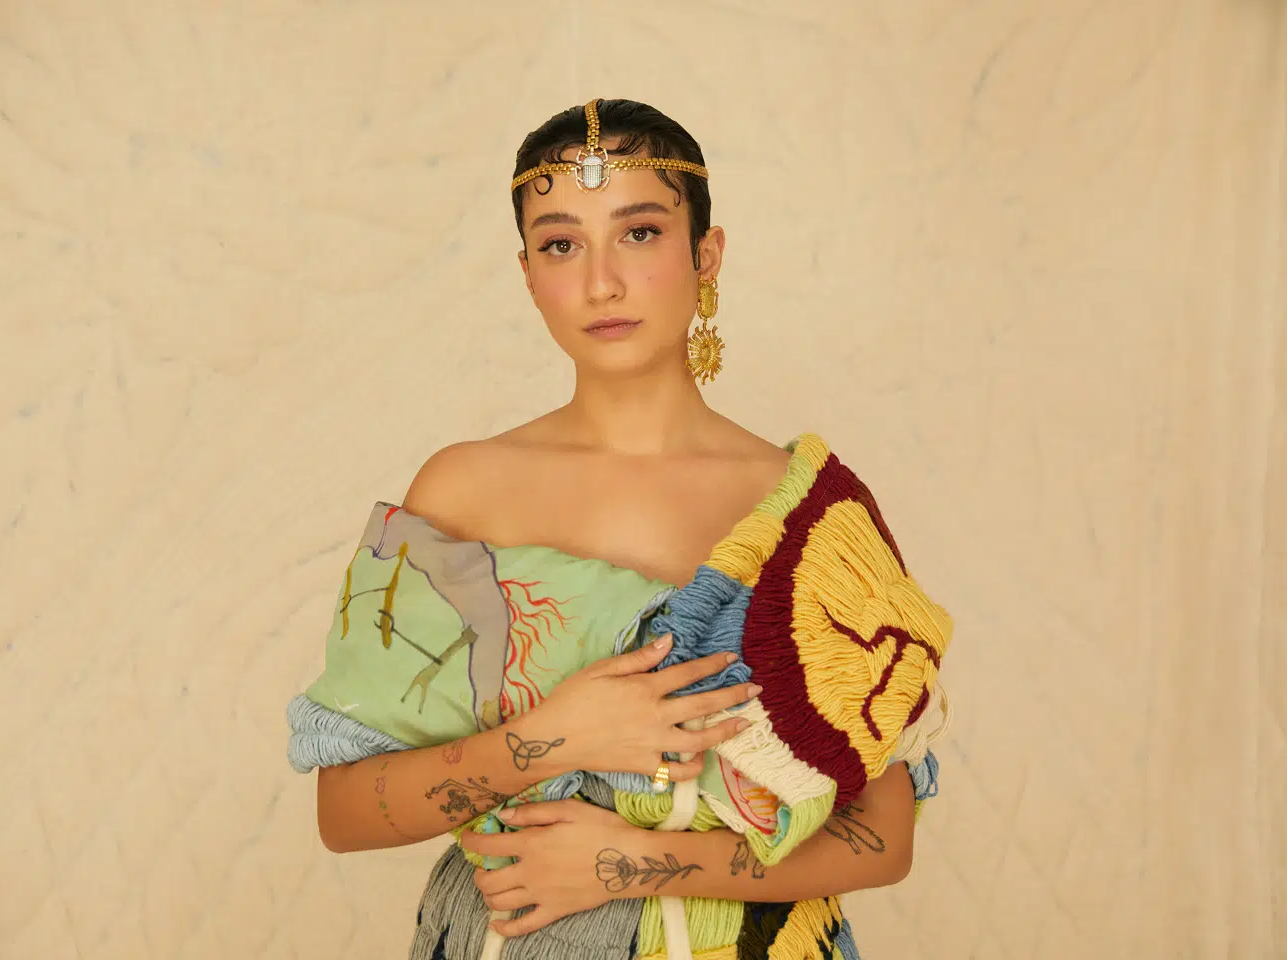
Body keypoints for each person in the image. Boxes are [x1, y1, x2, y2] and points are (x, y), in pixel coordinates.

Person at [289, 98, 952, 960]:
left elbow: (884, 836)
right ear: (528, 272)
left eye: (639, 233)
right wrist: (560, 738)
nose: (601, 282)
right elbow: (345, 812)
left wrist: (629, 864)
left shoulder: (809, 510)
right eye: (562, 245)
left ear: (706, 254)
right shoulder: (465, 490)